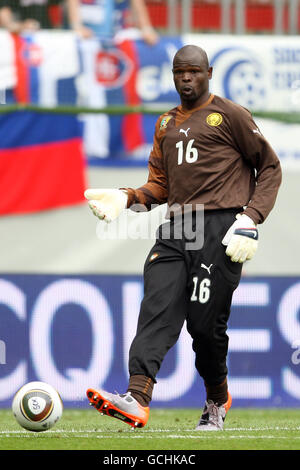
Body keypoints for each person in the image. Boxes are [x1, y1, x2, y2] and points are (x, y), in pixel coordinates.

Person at [84, 44, 282, 431]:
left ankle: (216, 397)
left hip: (222, 229)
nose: (186, 78)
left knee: (205, 329)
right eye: (179, 73)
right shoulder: (164, 125)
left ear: (208, 72)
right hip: (176, 229)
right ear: (173, 76)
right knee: (157, 309)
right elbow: (160, 186)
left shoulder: (230, 115)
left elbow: (270, 167)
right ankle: (137, 398)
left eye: (193, 71)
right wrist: (127, 198)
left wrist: (251, 219)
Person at [66, 0, 159, 43]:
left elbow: (138, 5)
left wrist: (147, 29)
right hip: (88, 39)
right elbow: (72, 2)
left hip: (116, 39)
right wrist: (77, 26)